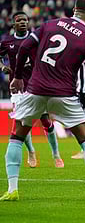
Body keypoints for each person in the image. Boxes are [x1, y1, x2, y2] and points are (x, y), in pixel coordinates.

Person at [0, 0, 85, 201]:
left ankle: (12, 190)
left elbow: (25, 47)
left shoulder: (51, 24)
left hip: (35, 90)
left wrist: (18, 77)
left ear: (74, 9)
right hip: (64, 95)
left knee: (17, 137)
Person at [0, 12, 64, 168]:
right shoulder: (7, 42)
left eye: (25, 20)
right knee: (23, 121)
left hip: (37, 85)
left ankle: (56, 154)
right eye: (19, 20)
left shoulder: (36, 39)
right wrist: (2, 66)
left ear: (28, 23)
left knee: (46, 121)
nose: (22, 22)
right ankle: (31, 151)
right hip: (18, 88)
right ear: (13, 24)